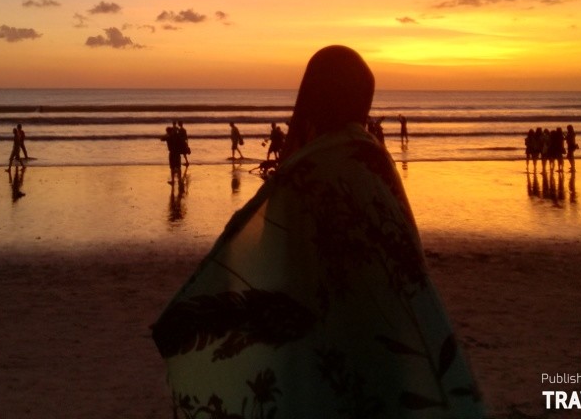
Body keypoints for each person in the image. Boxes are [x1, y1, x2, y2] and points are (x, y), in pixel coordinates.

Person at [152, 45, 485, 418]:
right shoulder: (373, 158)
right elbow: (406, 252)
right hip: (389, 329)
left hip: (323, 334)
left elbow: (270, 249)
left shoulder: (306, 171)